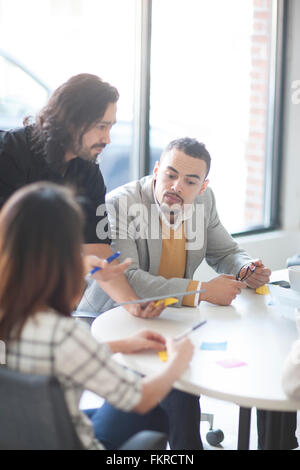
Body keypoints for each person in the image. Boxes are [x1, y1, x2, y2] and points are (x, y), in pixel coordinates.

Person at [78, 137, 271, 449]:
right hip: (112, 314)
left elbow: (225, 251)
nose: (177, 186)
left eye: (190, 181)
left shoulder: (204, 203)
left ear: (203, 186)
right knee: (179, 382)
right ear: (156, 170)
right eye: (170, 175)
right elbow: (130, 279)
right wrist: (202, 291)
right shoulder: (120, 204)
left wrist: (246, 268)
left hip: (167, 314)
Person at [0, 182, 194, 450]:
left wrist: (122, 345)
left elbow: (45, 356)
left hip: (26, 437)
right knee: (155, 410)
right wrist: (178, 361)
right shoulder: (63, 334)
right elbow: (141, 398)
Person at [0, 73, 164, 319]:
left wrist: (133, 305)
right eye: (101, 126)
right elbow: (10, 245)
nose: (107, 139)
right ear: (71, 122)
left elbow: (96, 248)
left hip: (39, 302)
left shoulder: (88, 173)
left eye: (110, 127)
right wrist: (76, 263)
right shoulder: (9, 153)